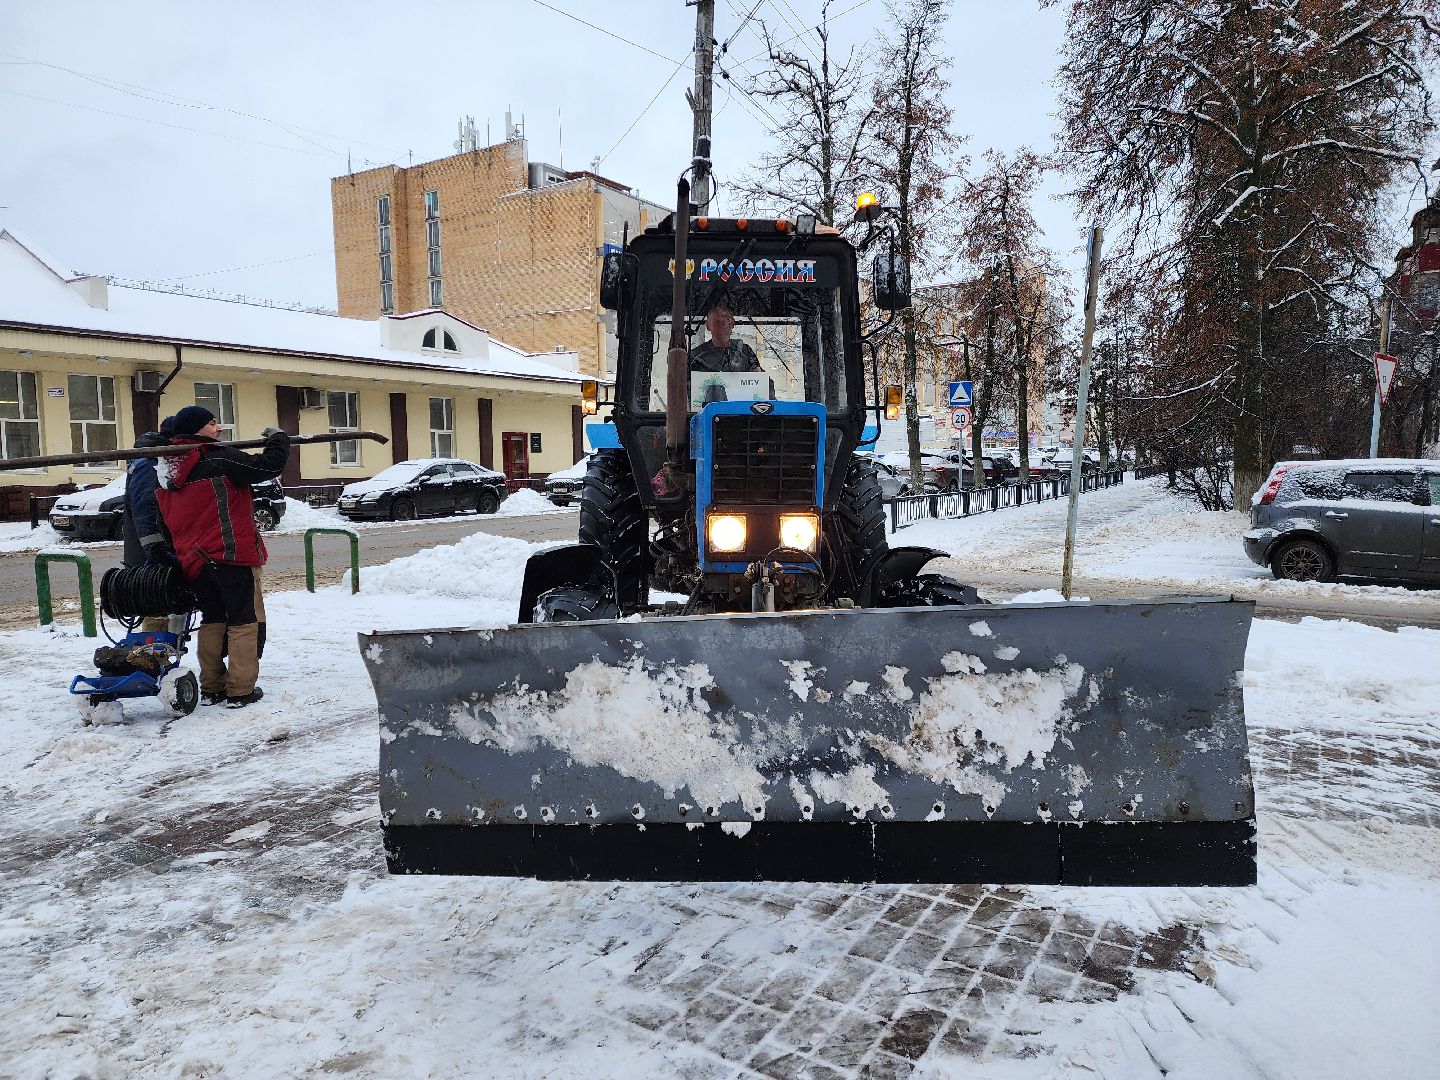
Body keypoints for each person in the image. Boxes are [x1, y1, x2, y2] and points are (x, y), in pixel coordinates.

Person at [156, 405, 290, 708]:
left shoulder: (166, 471)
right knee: (243, 620)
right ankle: (240, 689)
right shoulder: (217, 458)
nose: (219, 429)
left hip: (195, 560)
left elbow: (164, 523)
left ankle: (212, 685)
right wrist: (279, 438)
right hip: (229, 555)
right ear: (197, 429)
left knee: (213, 618)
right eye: (212, 423)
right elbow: (268, 466)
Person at [122, 415, 178, 633]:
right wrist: (156, 549)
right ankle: (152, 659)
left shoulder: (154, 460)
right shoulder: (150, 464)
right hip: (153, 554)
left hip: (154, 550)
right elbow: (145, 510)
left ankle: (157, 655)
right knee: (157, 606)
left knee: (164, 605)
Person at [689, 305, 761, 372]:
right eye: (717, 321)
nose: (723, 325)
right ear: (708, 326)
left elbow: (766, 382)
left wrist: (758, 375)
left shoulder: (745, 351)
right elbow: (685, 383)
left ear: (732, 324)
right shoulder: (696, 356)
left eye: (727, 321)